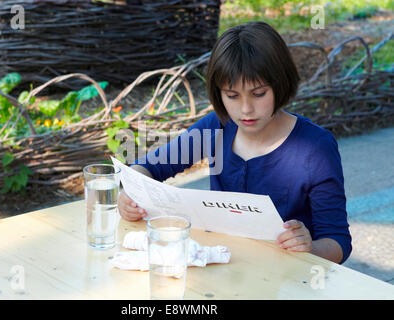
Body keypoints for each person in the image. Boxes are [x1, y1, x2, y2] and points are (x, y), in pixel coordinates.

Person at [118, 21, 352, 264]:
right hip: (221, 268)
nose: (245, 109)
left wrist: (309, 247)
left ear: (281, 84)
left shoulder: (315, 147)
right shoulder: (216, 126)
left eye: (259, 94)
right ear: (218, 93)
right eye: (232, 96)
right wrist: (131, 196)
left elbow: (337, 242)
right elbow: (148, 167)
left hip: (287, 282)